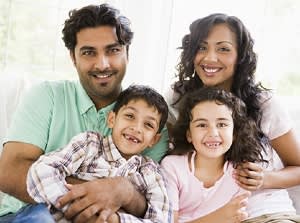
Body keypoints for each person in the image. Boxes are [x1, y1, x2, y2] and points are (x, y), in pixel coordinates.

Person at [0, 4, 168, 223]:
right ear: (73, 57)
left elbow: (150, 201)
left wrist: (124, 190)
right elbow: (9, 172)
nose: (102, 64)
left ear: (127, 53)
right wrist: (95, 193)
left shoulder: (149, 123)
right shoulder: (47, 96)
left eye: (113, 50)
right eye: (89, 52)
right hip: (29, 213)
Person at [165, 13, 300, 222]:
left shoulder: (264, 104)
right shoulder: (176, 99)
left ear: (240, 56)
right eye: (201, 47)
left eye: (223, 49)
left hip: (264, 212)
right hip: (209, 216)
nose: (210, 58)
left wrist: (265, 179)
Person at [20, 84, 170, 223]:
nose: (137, 128)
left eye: (148, 125)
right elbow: (43, 169)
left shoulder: (151, 173)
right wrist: (74, 207)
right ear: (111, 120)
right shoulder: (89, 144)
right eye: (130, 116)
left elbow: (161, 219)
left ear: (154, 140)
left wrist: (116, 220)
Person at [162, 87, 266, 222]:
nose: (212, 133)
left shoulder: (240, 172)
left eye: (222, 124)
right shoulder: (172, 167)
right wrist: (218, 217)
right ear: (189, 134)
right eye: (201, 125)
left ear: (234, 133)